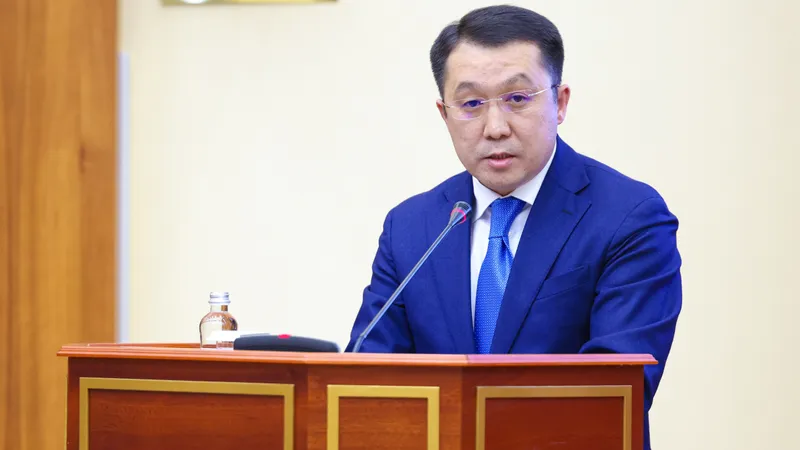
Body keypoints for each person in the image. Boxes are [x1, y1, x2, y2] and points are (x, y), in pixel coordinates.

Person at [345, 5, 681, 449]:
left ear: (560, 103)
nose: (495, 127)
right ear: (445, 114)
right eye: (471, 104)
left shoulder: (628, 217)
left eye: (518, 99)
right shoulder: (412, 227)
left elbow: (614, 393)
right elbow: (368, 381)